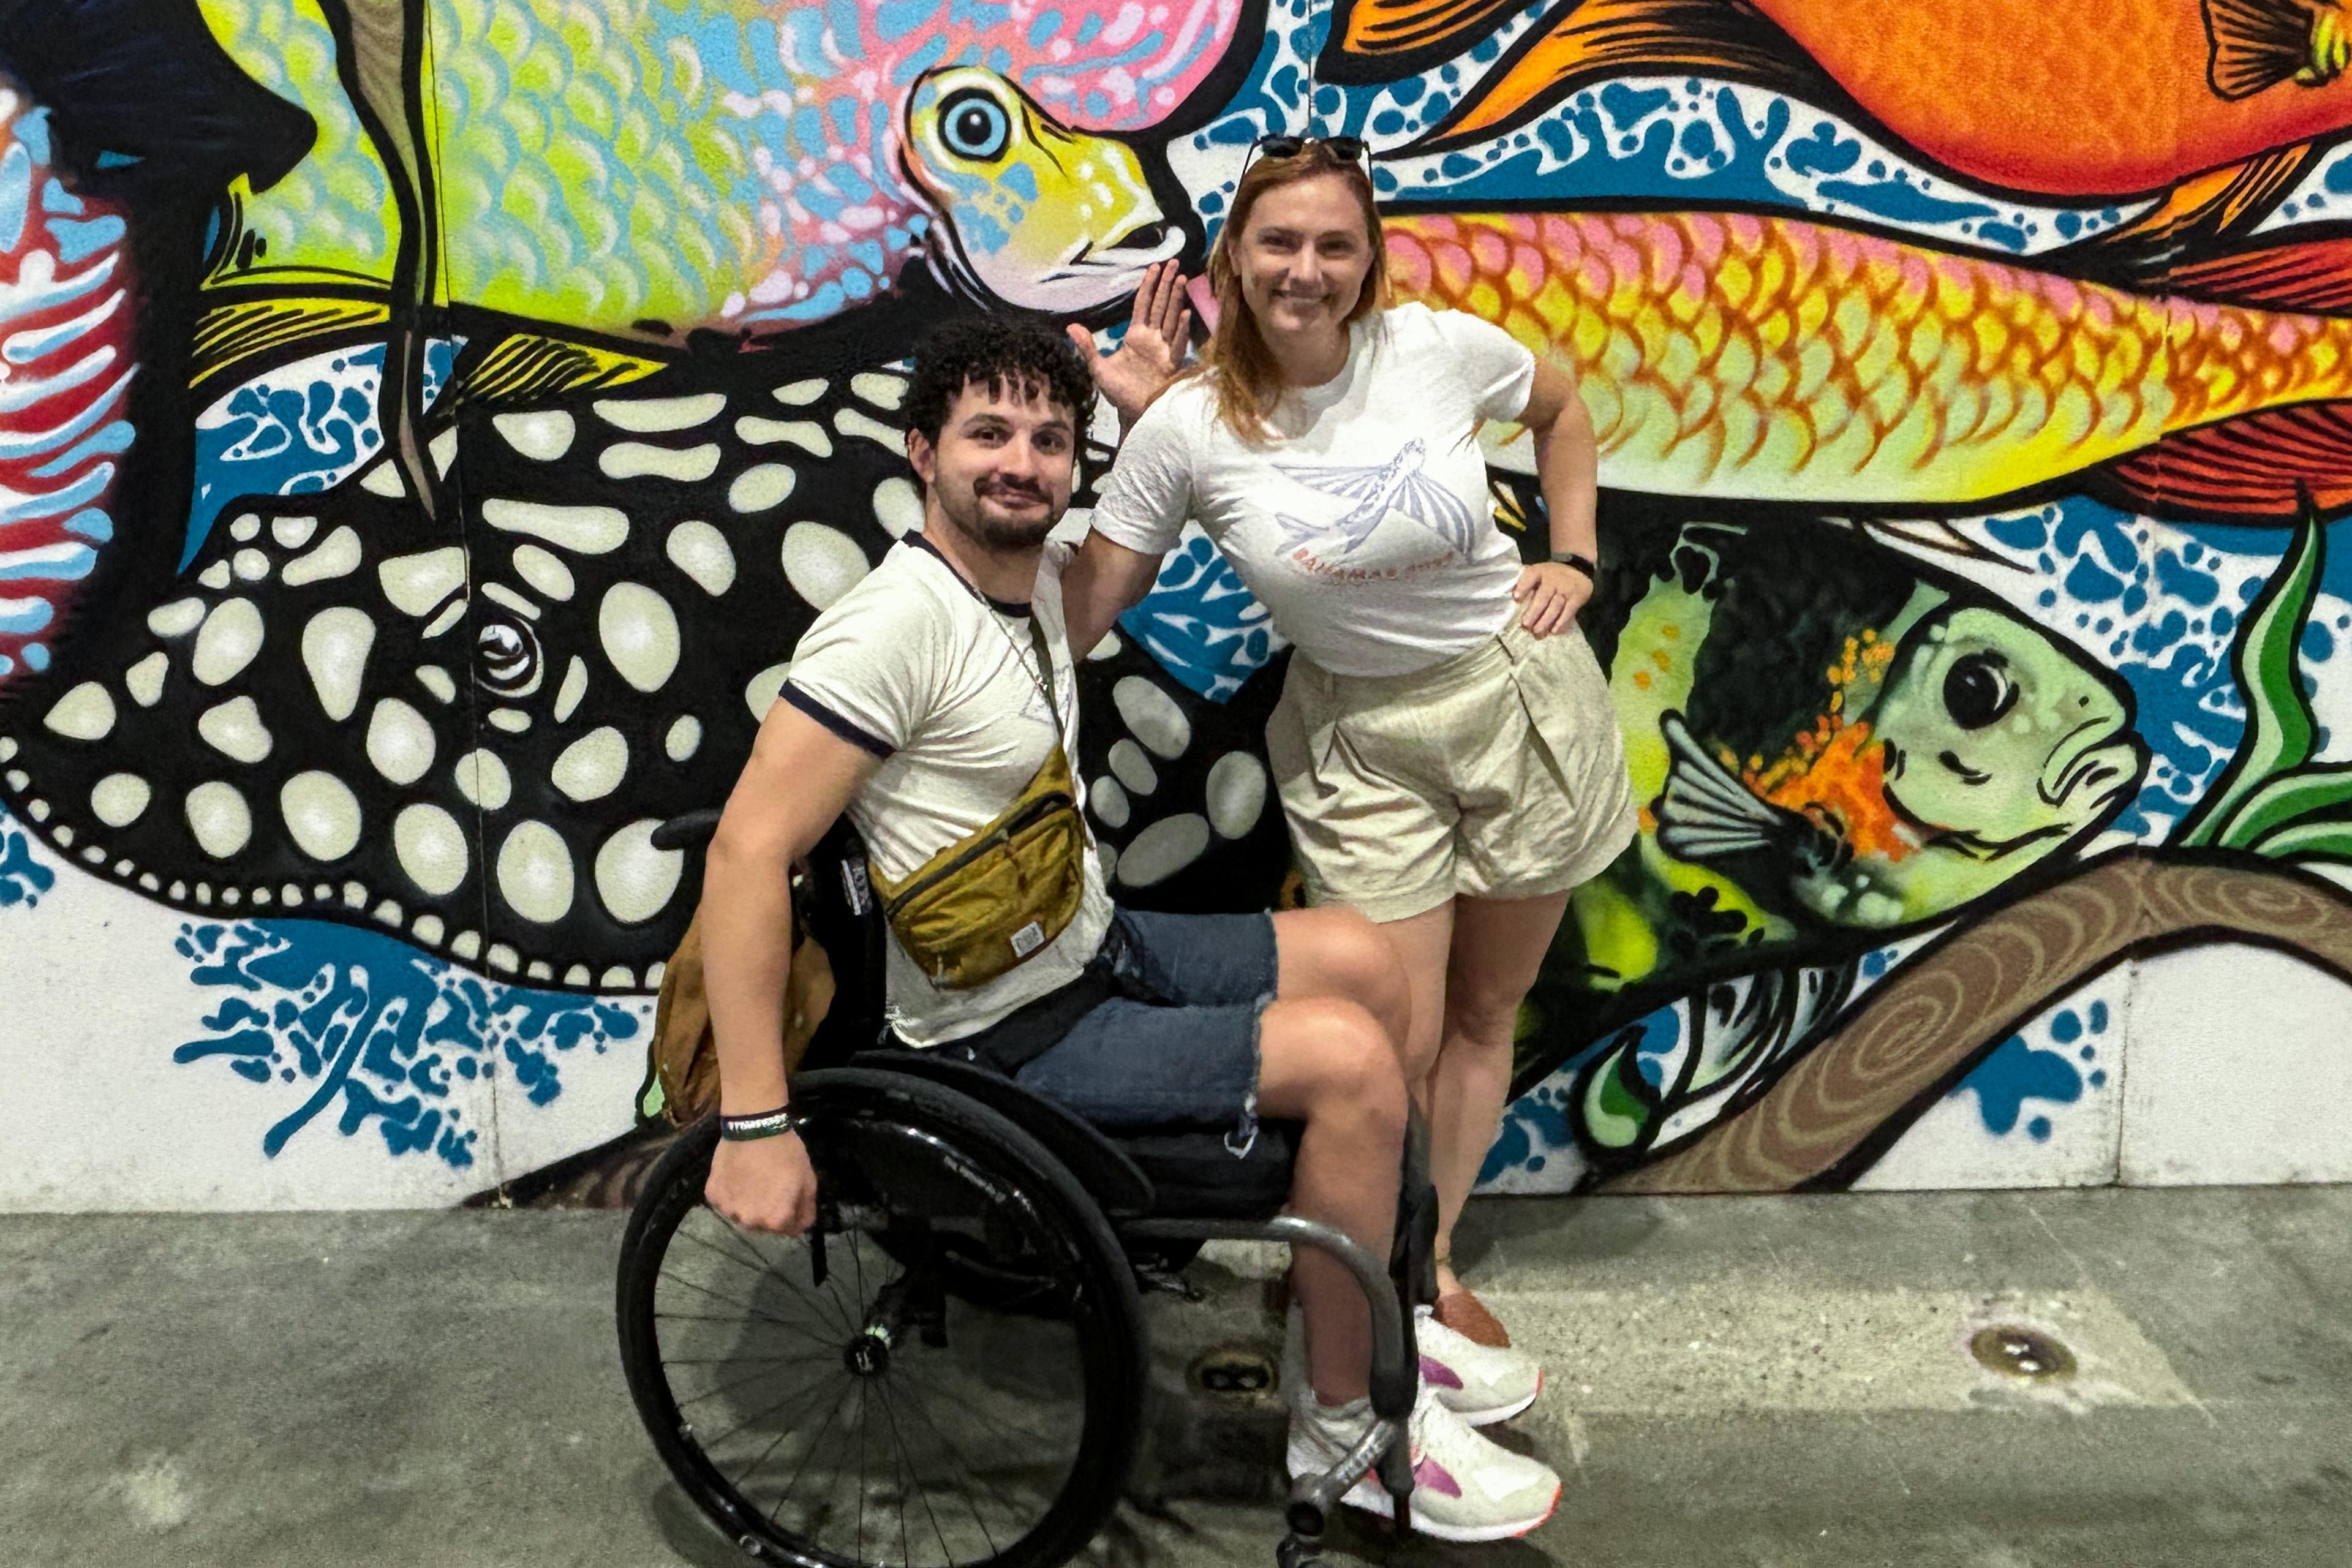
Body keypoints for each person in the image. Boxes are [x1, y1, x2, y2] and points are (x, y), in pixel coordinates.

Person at [696, 317, 1564, 1543]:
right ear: (923, 452)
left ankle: (1371, 1321)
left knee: (1370, 961)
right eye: (988, 434)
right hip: (998, 1037)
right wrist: (754, 1122)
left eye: (1049, 440)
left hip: (1088, 950)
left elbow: (1125, 564)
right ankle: (1346, 1434)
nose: (1021, 462)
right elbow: (745, 853)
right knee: (1354, 1065)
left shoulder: (1032, 590)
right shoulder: (892, 626)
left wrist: (1151, 416)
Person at [1063, 137, 1638, 1363]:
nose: (1305, 269)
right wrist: (927, 647)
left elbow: (1563, 408)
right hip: (1360, 745)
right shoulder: (1185, 425)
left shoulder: (1434, 348)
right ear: (1233, 256)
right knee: (1395, 1039)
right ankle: (1355, 1258)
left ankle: (1422, 1260)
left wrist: (1576, 557)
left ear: (1369, 258)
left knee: (1487, 1011)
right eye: (1278, 242)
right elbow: (1089, 600)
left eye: (1334, 245)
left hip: (1519, 701)